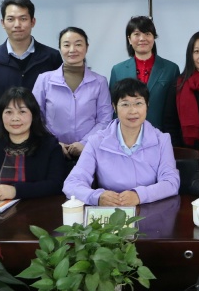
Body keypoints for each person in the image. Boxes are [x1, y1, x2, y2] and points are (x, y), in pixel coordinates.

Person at [63, 78, 180, 206]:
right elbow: (72, 183)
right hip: (110, 210)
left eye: (138, 103)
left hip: (149, 209)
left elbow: (171, 182)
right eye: (125, 104)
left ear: (147, 105)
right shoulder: (96, 141)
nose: (133, 111)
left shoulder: (162, 140)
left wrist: (139, 196)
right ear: (114, 107)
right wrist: (97, 197)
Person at [0, 0, 62, 133]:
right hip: (1, 136)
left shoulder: (52, 57)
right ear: (2, 23)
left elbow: (60, 99)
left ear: (33, 22)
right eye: (10, 19)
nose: (17, 25)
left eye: (23, 18)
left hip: (42, 135)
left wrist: (46, 130)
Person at [0, 87, 65, 201]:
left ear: (33, 115)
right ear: (1, 115)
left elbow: (56, 185)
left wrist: (15, 191)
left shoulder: (50, 146)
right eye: (9, 112)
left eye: (22, 112)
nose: (15, 118)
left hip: (34, 208)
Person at [33, 27, 112, 159]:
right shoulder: (44, 80)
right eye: (66, 45)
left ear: (86, 47)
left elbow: (105, 119)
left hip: (89, 152)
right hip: (50, 151)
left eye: (78, 44)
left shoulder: (99, 82)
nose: (72, 49)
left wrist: (85, 143)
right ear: (60, 48)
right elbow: (35, 117)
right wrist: (53, 143)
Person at [109, 16, 179, 131]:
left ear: (153, 37)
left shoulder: (171, 69)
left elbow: (174, 109)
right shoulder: (118, 70)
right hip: (127, 134)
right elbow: (114, 109)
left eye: (147, 34)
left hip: (160, 133)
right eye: (136, 34)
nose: (142, 38)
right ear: (129, 39)